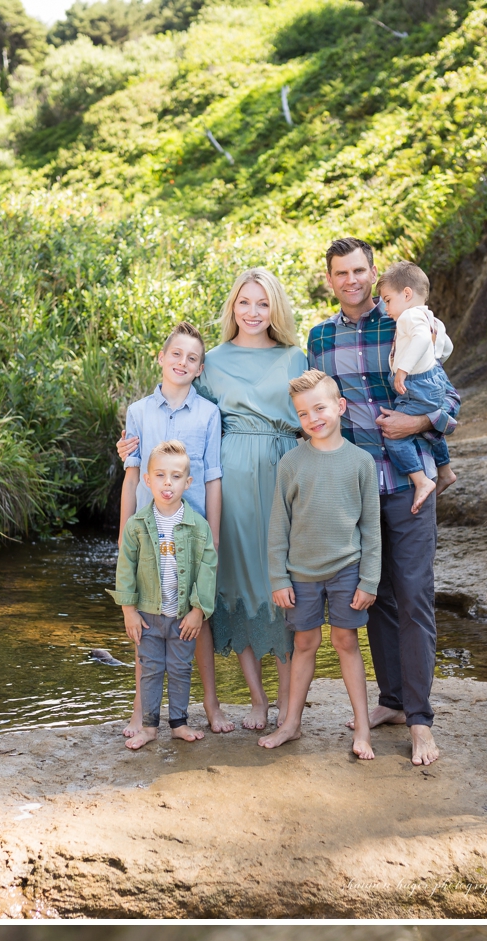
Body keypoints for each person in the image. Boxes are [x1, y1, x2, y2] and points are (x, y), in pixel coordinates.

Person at [308, 236, 454, 767]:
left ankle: (420, 721)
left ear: (373, 274)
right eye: (340, 273)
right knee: (376, 598)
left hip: (409, 486)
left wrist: (416, 424)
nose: (351, 280)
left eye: (359, 271)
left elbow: (447, 397)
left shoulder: (405, 321)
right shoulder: (320, 338)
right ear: (330, 280)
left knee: (413, 597)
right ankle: (392, 701)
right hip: (356, 493)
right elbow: (316, 411)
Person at [195, 268, 309, 731]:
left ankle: (287, 700)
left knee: (282, 585)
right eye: (245, 302)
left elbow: (315, 419)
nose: (253, 311)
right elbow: (191, 417)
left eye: (263, 303)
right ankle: (257, 700)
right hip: (231, 484)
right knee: (240, 585)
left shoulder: (295, 357)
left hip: (283, 474)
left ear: (275, 308)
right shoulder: (212, 360)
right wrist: (137, 446)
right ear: (233, 306)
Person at [259, 370, 381, 762]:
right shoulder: (291, 463)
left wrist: (370, 580)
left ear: (340, 406)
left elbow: (371, 528)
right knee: (304, 644)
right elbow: (278, 527)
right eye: (303, 413)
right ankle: (291, 724)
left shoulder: (361, 462)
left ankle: (362, 728)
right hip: (301, 574)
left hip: (347, 569)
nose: (313, 418)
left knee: (346, 642)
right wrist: (278, 577)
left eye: (320, 408)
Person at [117, 324, 229, 737]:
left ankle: (211, 704)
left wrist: (214, 534)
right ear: (161, 358)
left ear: (200, 369)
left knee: (198, 616)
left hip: (192, 532)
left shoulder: (208, 414)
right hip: (148, 530)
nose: (182, 362)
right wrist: (124, 531)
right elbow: (132, 477)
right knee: (146, 617)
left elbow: (213, 478)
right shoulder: (138, 412)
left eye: (192, 358)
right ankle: (140, 711)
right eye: (176, 354)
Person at [114, 441, 216, 753]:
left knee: (181, 669)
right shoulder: (137, 526)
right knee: (150, 669)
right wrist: (129, 611)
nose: (167, 483)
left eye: (175, 476)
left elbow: (208, 569)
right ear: (147, 480)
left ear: (188, 482)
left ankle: (179, 723)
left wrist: (198, 611)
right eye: (160, 475)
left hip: (182, 616)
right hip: (147, 616)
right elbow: (125, 569)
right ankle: (148, 727)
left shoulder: (198, 526)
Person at [375, 262, 456, 515]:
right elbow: (447, 347)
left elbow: (421, 339)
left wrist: (404, 369)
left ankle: (421, 481)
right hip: (433, 380)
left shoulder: (409, 316)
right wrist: (432, 363)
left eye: (388, 300)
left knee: (394, 435)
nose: (386, 309)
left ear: (407, 294)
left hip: (415, 383)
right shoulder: (432, 318)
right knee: (429, 430)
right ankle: (445, 470)